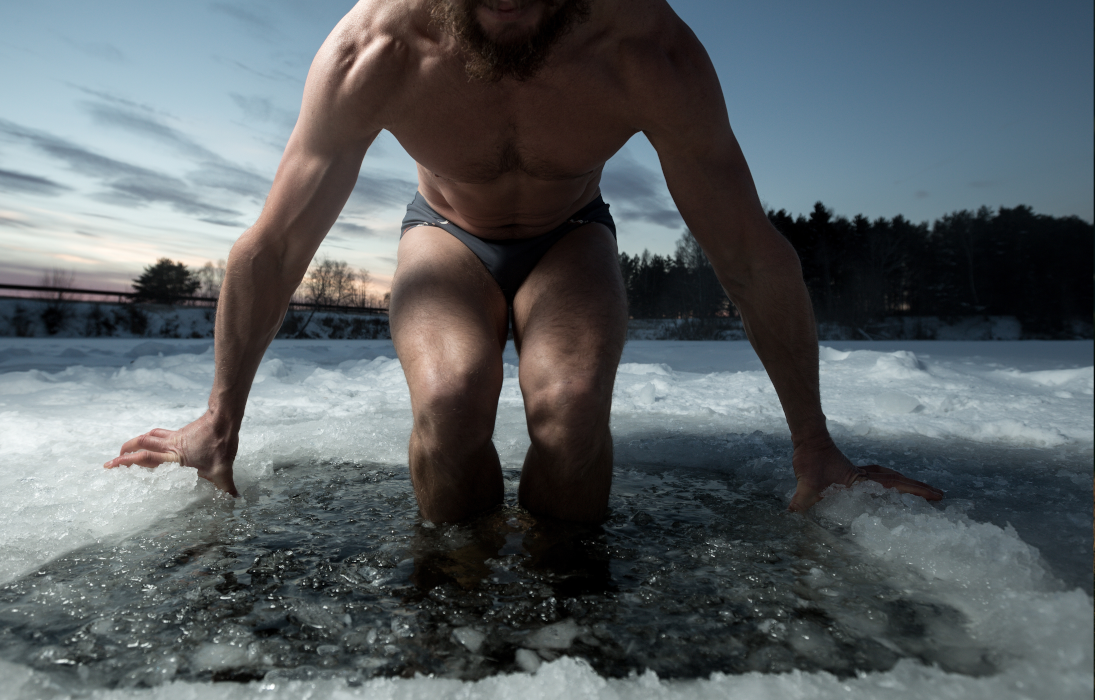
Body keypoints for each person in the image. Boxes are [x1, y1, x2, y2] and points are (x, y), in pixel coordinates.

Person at [105, 0, 943, 523]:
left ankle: (568, 595)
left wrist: (815, 447)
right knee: (449, 397)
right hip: (444, 234)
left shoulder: (646, 49)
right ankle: (455, 585)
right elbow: (277, 243)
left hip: (571, 232)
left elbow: (751, 256)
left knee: (572, 409)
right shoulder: (378, 48)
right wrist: (220, 419)